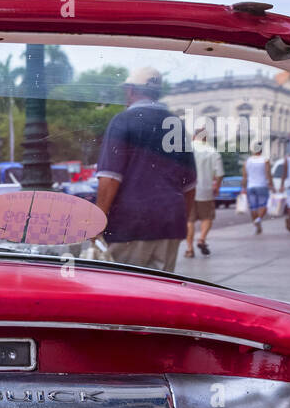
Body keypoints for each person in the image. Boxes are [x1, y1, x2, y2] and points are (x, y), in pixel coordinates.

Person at [94, 67, 196, 272]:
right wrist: (179, 218)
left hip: (131, 224)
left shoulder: (122, 121)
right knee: (161, 291)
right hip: (169, 223)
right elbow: (190, 184)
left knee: (129, 292)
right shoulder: (175, 124)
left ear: (131, 90)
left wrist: (96, 222)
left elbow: (110, 178)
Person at [185, 124, 222, 258]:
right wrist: (217, 186)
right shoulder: (212, 151)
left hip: (188, 189)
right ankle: (201, 239)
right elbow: (219, 173)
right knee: (207, 217)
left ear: (194, 136)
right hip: (206, 190)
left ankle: (189, 249)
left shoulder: (187, 149)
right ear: (206, 138)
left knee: (189, 220)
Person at [241, 142, 272, 234]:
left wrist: (243, 188)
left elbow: (244, 176)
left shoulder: (247, 162)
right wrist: (271, 184)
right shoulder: (265, 160)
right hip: (262, 185)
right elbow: (268, 174)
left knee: (253, 207)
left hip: (251, 186)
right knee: (263, 205)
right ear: (261, 150)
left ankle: (256, 225)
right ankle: (258, 219)